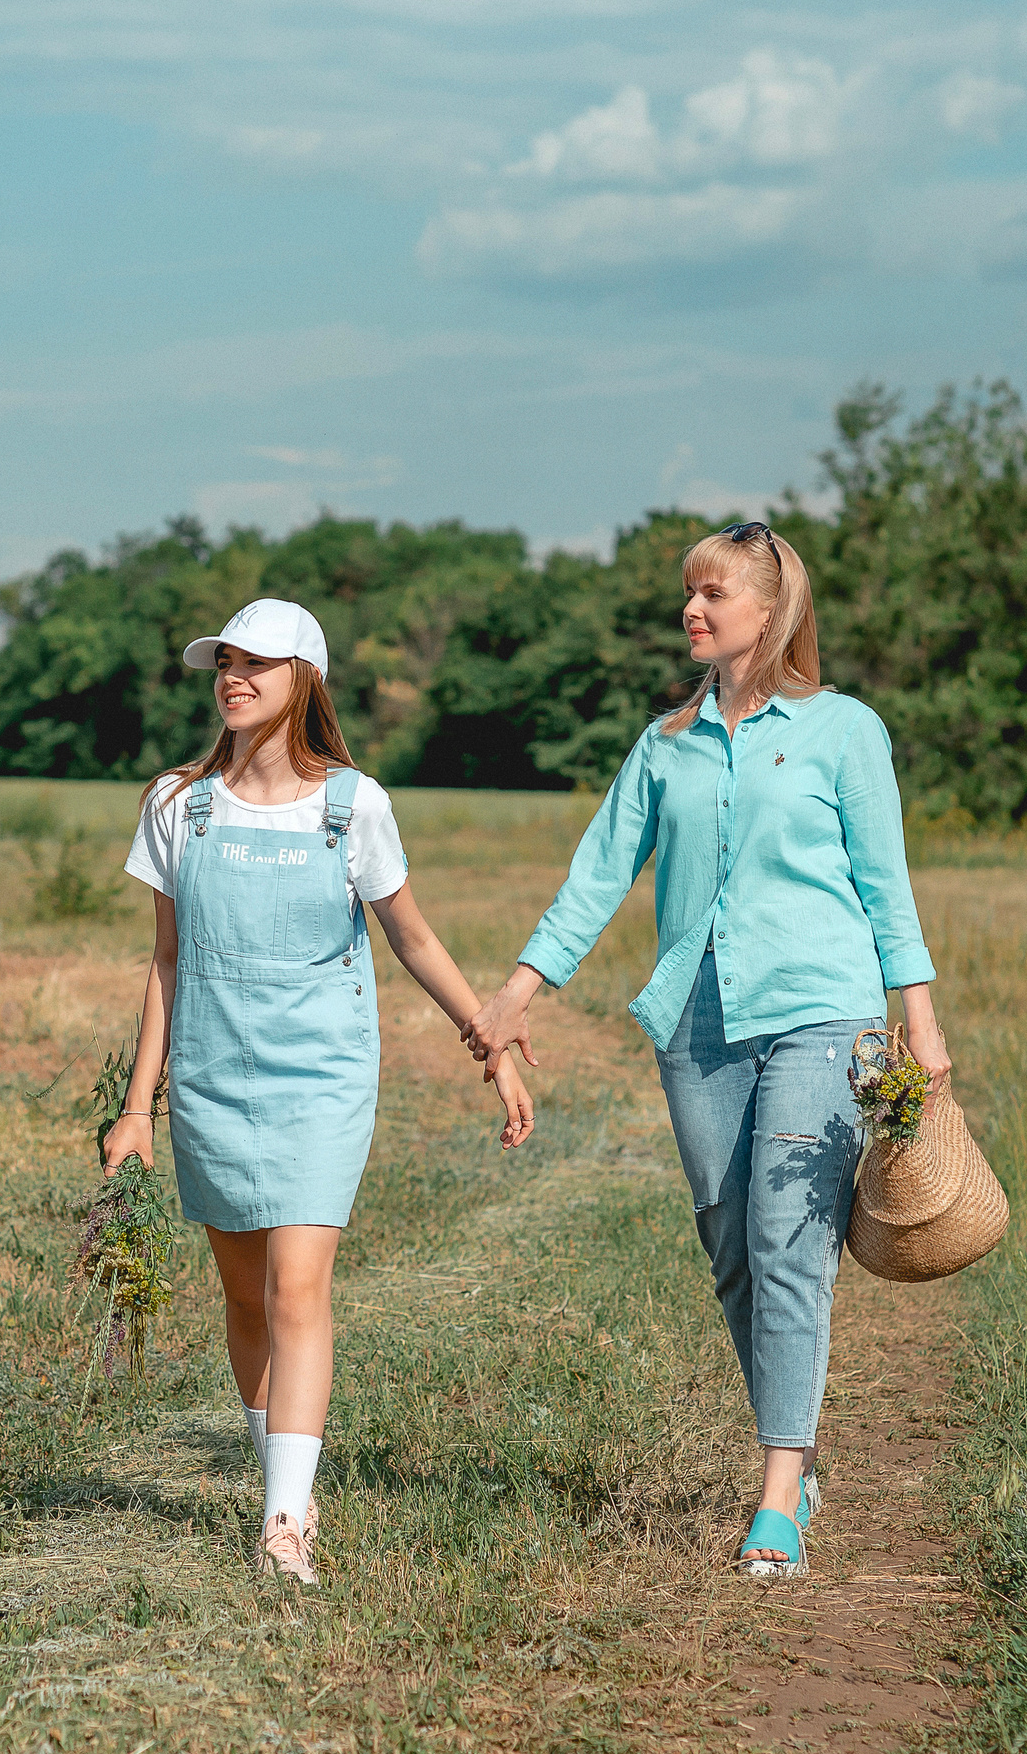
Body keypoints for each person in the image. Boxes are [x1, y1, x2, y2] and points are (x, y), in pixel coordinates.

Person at [466, 523, 949, 1579]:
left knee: (786, 1237)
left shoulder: (843, 730)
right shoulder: (665, 743)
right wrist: (516, 992)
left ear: (770, 610)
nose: (691, 609)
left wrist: (918, 1017)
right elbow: (599, 873)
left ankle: (777, 1497)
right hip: (697, 1018)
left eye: (713, 593)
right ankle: (799, 1451)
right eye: (688, 592)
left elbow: (886, 884)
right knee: (732, 1244)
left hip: (821, 1014)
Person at [104, 597, 535, 1588]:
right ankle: (285, 1480)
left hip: (322, 1075)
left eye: (256, 663)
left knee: (296, 1287)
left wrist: (490, 1041)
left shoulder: (354, 805)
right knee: (243, 1295)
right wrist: (136, 1108)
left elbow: (412, 937)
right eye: (225, 662)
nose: (233, 678)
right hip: (212, 1072)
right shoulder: (176, 804)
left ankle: (284, 1524)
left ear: (303, 679)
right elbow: (166, 961)